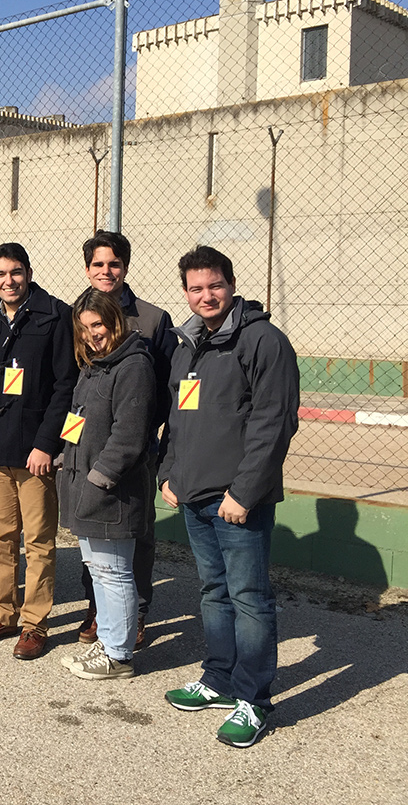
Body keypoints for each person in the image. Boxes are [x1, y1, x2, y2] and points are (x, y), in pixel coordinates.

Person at [158, 246, 298, 748]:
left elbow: (274, 425)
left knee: (249, 599)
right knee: (213, 593)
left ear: (232, 284)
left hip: (238, 501)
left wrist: (244, 492)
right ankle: (218, 679)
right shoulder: (187, 345)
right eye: (195, 288)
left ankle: (254, 701)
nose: (206, 295)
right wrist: (168, 474)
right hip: (193, 496)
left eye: (214, 285)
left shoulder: (262, 341)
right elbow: (177, 420)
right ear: (186, 293)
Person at [0, 242, 77, 659]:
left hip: (34, 454)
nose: (9, 281)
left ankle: (35, 624)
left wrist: (47, 444)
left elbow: (66, 384)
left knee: (40, 541)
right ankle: (3, 614)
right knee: (1, 538)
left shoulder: (54, 315)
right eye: (1, 275)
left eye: (16, 272)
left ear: (28, 272)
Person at [75, 230, 176, 646]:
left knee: (137, 534)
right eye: (98, 264)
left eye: (113, 264)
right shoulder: (78, 313)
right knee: (90, 531)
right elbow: (76, 388)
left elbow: (168, 390)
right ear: (87, 270)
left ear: (126, 267)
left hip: (133, 450)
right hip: (87, 446)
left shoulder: (152, 320)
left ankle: (137, 612)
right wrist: (69, 446)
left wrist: (151, 441)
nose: (106, 271)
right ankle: (97, 608)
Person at [58, 289, 155, 680]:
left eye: (97, 324)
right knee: (99, 571)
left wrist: (99, 479)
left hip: (111, 493)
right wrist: (68, 457)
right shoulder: (95, 367)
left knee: (115, 573)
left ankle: (119, 655)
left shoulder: (133, 366)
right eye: (84, 329)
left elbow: (128, 436)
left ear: (114, 320)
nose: (91, 335)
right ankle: (111, 639)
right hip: (83, 485)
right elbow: (78, 418)